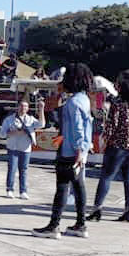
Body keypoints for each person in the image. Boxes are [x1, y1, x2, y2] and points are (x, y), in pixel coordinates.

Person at [33, 63, 94, 240]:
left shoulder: (73, 102)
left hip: (69, 150)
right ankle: (81, 224)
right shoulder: (84, 99)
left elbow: (76, 129)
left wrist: (77, 150)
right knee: (78, 186)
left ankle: (54, 225)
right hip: (80, 150)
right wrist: (83, 149)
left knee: (62, 188)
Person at [86, 70, 129, 223]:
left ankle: (97, 209)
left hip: (118, 144)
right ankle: (128, 210)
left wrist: (105, 141)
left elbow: (112, 125)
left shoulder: (118, 103)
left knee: (107, 176)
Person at [0, 100, 45, 199]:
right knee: (12, 169)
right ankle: (9, 189)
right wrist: (12, 132)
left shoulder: (30, 119)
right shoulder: (9, 119)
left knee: (23, 170)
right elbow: (1, 134)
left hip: (26, 148)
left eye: (25, 107)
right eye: (21, 106)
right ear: (18, 107)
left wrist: (41, 109)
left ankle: (23, 191)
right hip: (13, 147)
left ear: (28, 109)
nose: (23, 108)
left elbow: (42, 124)